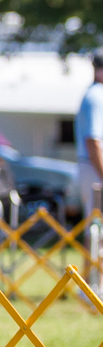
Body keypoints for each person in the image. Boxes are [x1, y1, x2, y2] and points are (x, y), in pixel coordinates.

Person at [75, 49, 103, 292]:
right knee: (96, 227)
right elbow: (93, 141)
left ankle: (93, 284)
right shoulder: (96, 96)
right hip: (94, 166)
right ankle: (90, 287)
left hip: (92, 166)